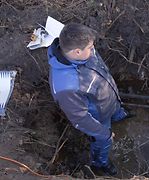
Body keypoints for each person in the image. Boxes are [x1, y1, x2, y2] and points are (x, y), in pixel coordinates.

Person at [48, 23, 130, 176]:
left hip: (108, 98)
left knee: (116, 109)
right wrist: (104, 133)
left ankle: (118, 114)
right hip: (98, 116)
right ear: (77, 52)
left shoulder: (83, 52)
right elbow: (81, 119)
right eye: (91, 48)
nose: (94, 50)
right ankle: (100, 164)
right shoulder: (67, 87)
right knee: (102, 141)